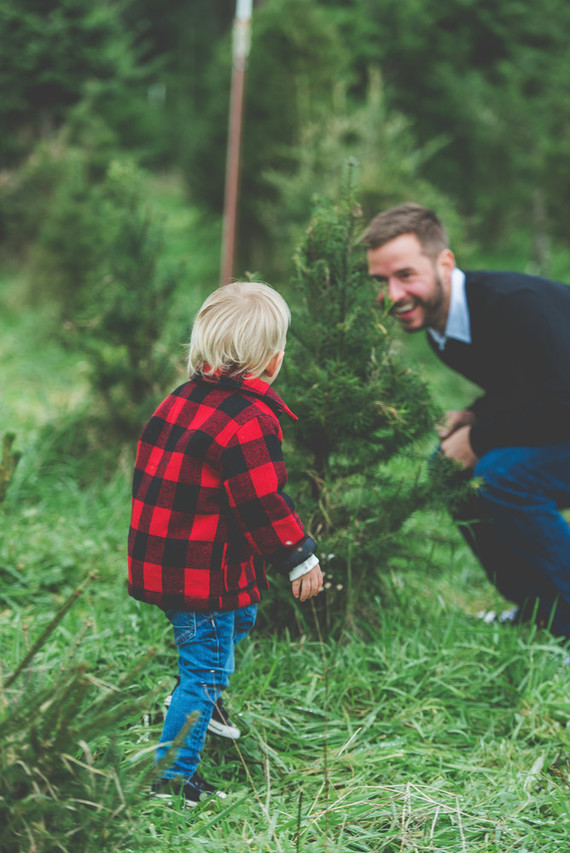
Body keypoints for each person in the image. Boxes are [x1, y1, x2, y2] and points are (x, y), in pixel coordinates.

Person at [128, 281, 323, 806]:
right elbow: (262, 502)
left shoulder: (178, 400)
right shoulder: (251, 421)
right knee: (207, 665)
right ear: (275, 361)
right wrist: (299, 555)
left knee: (237, 621)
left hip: (171, 563)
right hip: (202, 573)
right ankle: (174, 779)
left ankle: (200, 702)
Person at [362, 203, 570, 639]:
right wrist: (480, 412)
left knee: (502, 476)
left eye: (405, 275)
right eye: (380, 281)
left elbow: (561, 398)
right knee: (448, 467)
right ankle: (538, 608)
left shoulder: (514, 305)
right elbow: (528, 383)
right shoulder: (440, 327)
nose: (392, 295)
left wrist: (480, 435)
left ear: (445, 262)